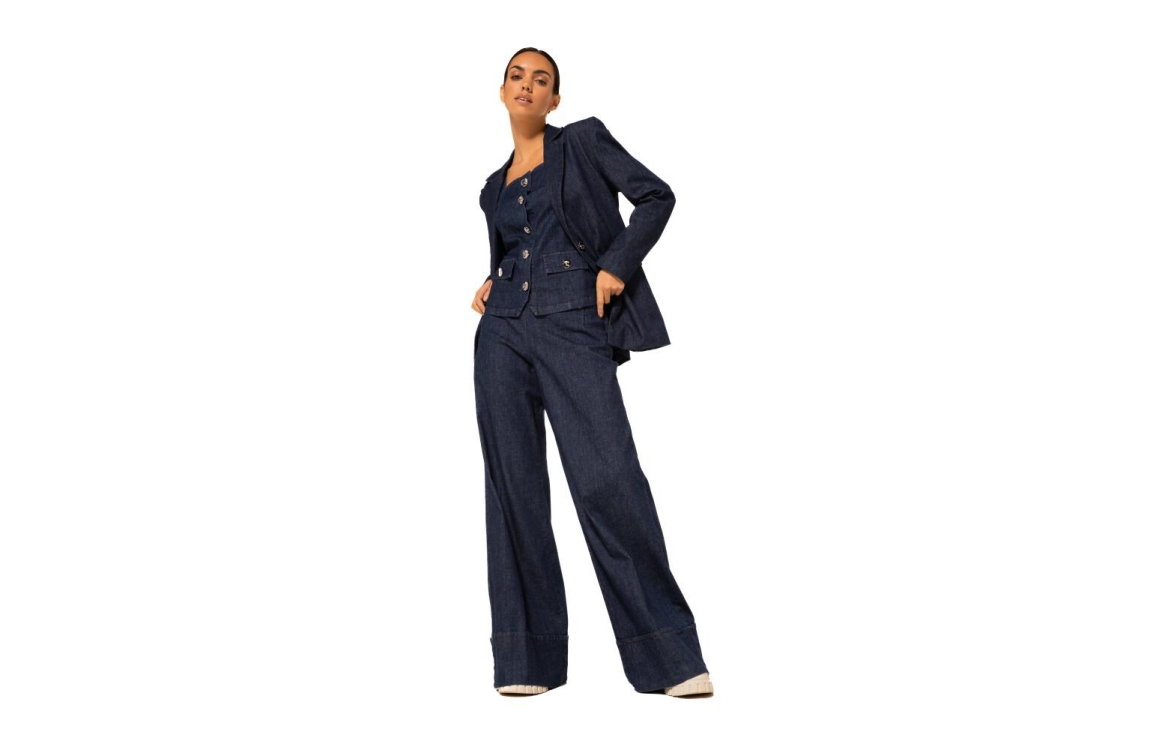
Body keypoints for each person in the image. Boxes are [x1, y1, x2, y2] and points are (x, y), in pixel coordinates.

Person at [471, 47, 713, 698]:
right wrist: (492, 281)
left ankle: (669, 658)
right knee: (512, 490)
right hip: (501, 335)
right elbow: (516, 248)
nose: (527, 85)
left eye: (540, 79)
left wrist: (615, 265)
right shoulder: (491, 186)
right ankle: (526, 660)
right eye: (516, 76)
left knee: (608, 478)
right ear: (501, 91)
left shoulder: (582, 141)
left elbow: (655, 197)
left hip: (574, 319)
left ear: (555, 100)